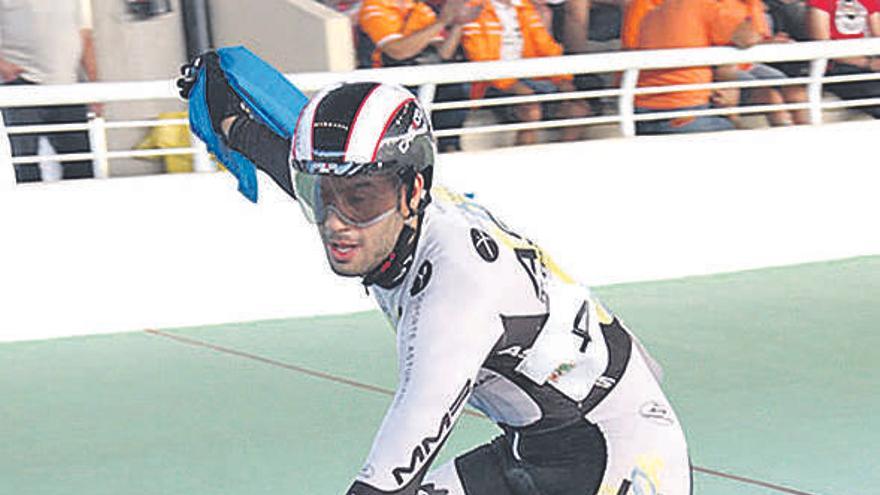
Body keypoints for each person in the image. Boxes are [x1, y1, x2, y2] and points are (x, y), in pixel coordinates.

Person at [177, 52, 690, 495]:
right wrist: (231, 125)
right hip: (540, 446)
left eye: (359, 200)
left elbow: (392, 468)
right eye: (322, 197)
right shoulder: (405, 211)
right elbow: (292, 162)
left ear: (412, 190)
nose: (336, 223)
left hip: (623, 451)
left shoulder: (457, 295)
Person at [461, 0, 592, 145]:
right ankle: (525, 160)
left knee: (578, 109)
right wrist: (520, 90)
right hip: (490, 84)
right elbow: (480, 60)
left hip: (530, 79)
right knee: (530, 110)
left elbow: (547, 48)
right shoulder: (473, 9)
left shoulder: (523, 6)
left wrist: (563, 81)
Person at [358, 0, 481, 151]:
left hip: (424, 79)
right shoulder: (374, 7)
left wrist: (458, 23)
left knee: (456, 87)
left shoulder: (420, 8)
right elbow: (398, 51)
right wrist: (442, 21)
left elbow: (443, 52)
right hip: (388, 82)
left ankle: (449, 148)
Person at [0, 0, 99, 183]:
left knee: (80, 165)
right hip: (20, 84)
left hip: (67, 86)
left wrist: (95, 86)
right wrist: (2, 66)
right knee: (25, 165)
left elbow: (85, 37)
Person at [633, 0, 765, 134]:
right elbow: (748, 38)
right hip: (685, 109)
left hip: (642, 111)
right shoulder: (707, 6)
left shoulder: (653, 13)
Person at [807, 0, 880, 118]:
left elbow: (877, 35)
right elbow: (822, 45)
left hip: (868, 63)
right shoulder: (821, 2)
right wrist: (867, 63)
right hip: (837, 68)